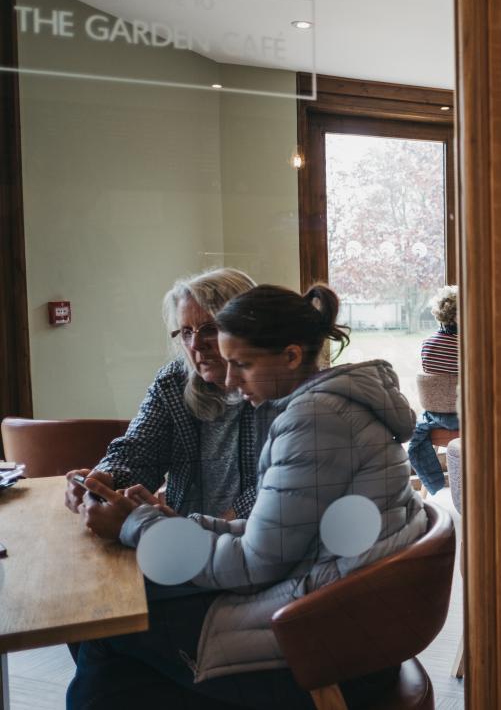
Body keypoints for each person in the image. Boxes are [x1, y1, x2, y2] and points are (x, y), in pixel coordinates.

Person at [68, 284, 428, 710]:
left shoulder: (313, 418)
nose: (231, 380)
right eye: (185, 333)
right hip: (337, 616)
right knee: (114, 639)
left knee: (104, 633)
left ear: (291, 356)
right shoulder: (329, 403)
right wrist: (157, 520)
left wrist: (137, 525)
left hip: (327, 648)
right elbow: (273, 535)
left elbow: (256, 563)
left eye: (242, 364)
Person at [64, 268, 260, 540]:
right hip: (177, 539)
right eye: (186, 332)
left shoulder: (275, 391)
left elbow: (274, 487)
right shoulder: (173, 382)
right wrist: (103, 480)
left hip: (242, 546)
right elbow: (137, 451)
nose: (196, 345)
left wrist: (196, 531)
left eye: (210, 329)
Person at [406, 285, 459, 494]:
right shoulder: (472, 345)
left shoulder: (427, 344)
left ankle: (433, 487)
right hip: (467, 418)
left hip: (435, 417)